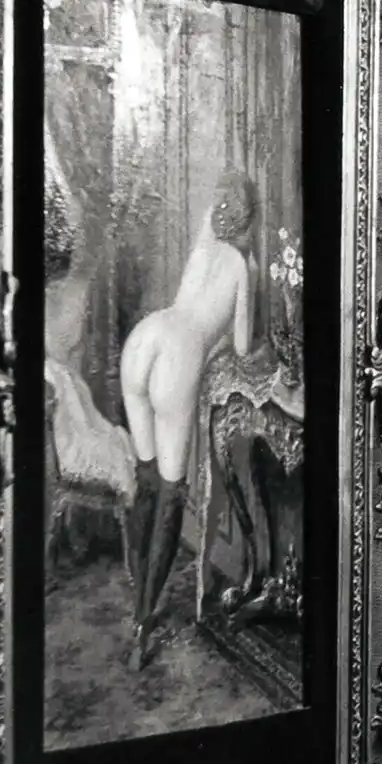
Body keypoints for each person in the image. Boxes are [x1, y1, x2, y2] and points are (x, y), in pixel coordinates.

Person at [119, 170, 257, 668]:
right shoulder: (242, 265)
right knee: (171, 491)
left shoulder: (200, 252)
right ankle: (141, 622)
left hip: (145, 338)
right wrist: (216, 342)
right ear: (250, 221)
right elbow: (242, 347)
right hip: (179, 357)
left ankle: (137, 588)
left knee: (146, 477)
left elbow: (192, 297)